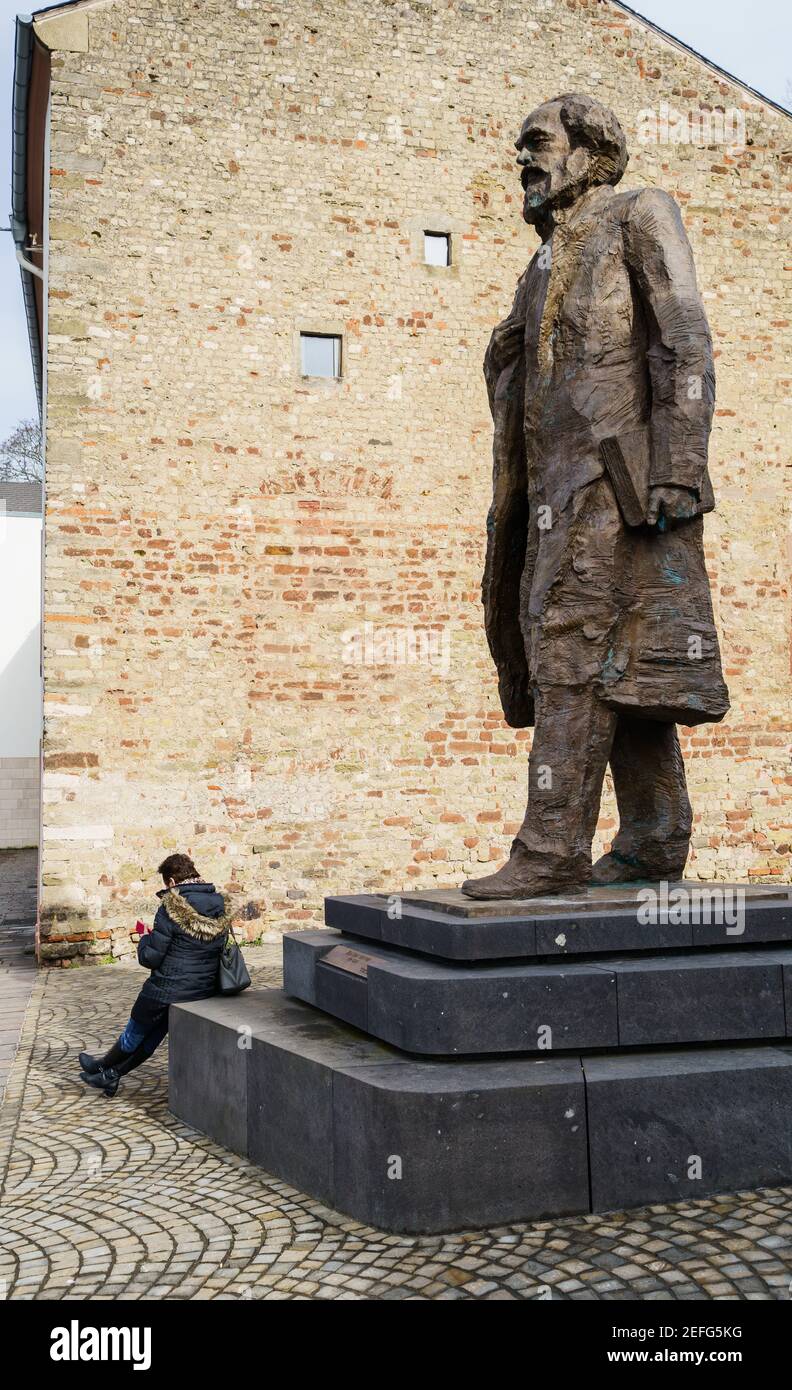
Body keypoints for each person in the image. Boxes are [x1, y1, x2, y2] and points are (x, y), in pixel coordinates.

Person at [462, 93, 728, 900]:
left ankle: (551, 848)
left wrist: (679, 466)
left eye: (538, 143)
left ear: (590, 152)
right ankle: (654, 837)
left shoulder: (640, 215)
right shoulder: (540, 264)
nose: (525, 160)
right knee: (619, 662)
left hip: (623, 482)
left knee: (572, 650)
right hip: (552, 493)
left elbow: (682, 336)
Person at [79, 853, 233, 1096]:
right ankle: (110, 1075)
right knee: (154, 1037)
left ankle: (104, 1066)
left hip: (167, 987)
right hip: (203, 988)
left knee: (136, 1032)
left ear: (171, 882)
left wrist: (145, 939)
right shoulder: (219, 904)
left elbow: (150, 957)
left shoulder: (171, 907)